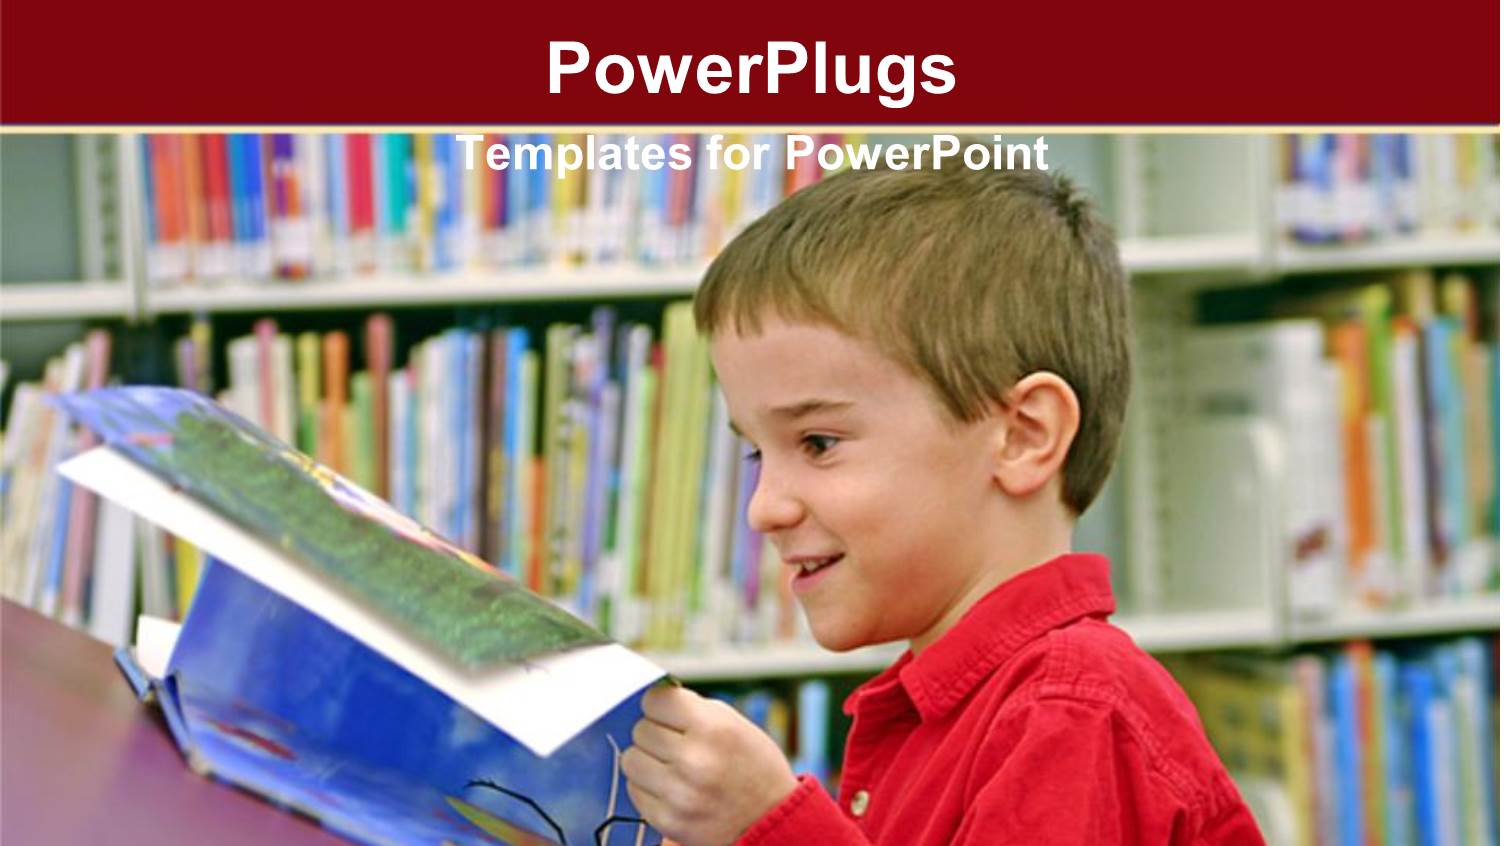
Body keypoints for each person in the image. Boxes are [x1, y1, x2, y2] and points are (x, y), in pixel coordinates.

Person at [619, 163, 1265, 845]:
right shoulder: (958, 708)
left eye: (818, 442)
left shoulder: (1070, 710)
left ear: (1023, 436)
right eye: (756, 453)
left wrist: (770, 828)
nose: (763, 508)